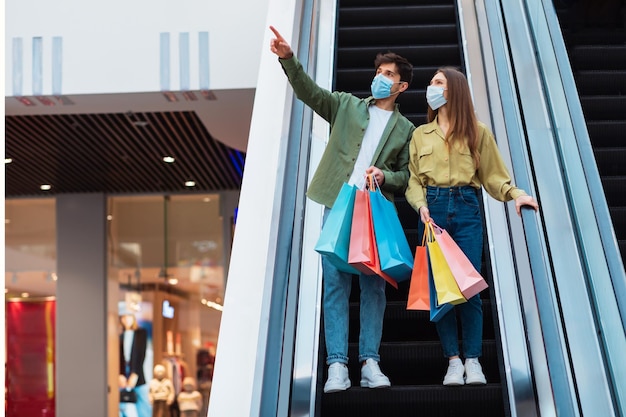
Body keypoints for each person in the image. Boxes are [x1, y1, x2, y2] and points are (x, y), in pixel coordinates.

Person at [270, 26, 415, 393]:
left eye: (388, 75)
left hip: (374, 208)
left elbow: (408, 176)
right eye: (379, 72)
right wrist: (289, 59)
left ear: (401, 87)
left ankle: (370, 362)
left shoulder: (407, 130)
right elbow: (310, 94)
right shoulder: (348, 105)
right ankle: (337, 365)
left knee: (373, 287)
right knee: (335, 284)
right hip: (339, 204)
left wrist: (386, 175)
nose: (380, 78)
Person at [405, 67, 539, 386]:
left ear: (454, 90)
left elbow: (494, 176)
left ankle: (474, 361)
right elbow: (413, 179)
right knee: (443, 289)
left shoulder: (477, 132)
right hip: (433, 210)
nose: (431, 87)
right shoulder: (420, 135)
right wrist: (421, 207)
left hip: (466, 207)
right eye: (431, 83)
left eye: (438, 82)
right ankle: (453, 361)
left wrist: (516, 195)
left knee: (469, 287)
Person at [119, 309, 150, 417]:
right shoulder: (120, 335)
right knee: (122, 405)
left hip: (137, 374)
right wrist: (120, 374)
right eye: (124, 317)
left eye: (128, 317)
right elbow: (118, 356)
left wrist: (135, 373)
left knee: (144, 405)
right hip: (122, 375)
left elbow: (141, 354)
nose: (126, 320)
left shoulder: (140, 333)